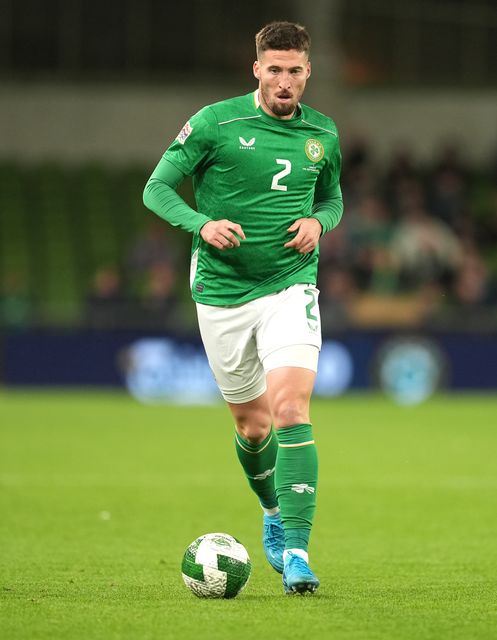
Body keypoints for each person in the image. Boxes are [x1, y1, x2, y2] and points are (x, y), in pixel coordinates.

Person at [143, 21, 343, 594]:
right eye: (274, 69)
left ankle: (299, 553)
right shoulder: (214, 123)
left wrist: (319, 222)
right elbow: (156, 188)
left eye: (295, 71)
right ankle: (273, 511)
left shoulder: (323, 134)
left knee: (291, 410)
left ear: (309, 72)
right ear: (256, 69)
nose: (285, 81)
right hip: (224, 293)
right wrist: (200, 224)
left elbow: (331, 198)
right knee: (253, 427)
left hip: (290, 284)